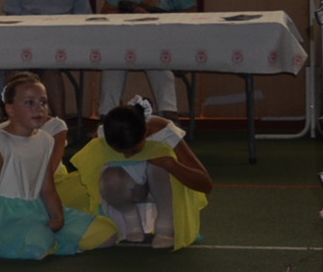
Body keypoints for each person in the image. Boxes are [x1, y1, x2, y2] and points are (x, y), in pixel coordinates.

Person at [0, 72, 115, 260]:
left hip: (36, 207)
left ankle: (46, 236)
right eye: (29, 103)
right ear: (10, 109)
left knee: (107, 233)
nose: (38, 108)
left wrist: (58, 218)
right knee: (38, 242)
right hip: (4, 216)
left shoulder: (46, 140)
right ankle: (38, 238)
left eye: (43, 102)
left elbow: (47, 188)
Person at [61, 99, 213, 250]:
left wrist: (171, 165)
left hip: (162, 194)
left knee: (158, 167)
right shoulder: (106, 134)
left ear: (145, 131)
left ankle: (165, 226)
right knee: (109, 176)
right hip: (127, 192)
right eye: (120, 152)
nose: (127, 156)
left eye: (134, 150)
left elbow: (205, 184)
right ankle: (130, 217)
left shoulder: (165, 133)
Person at [101, 0, 195, 114]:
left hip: (163, 39)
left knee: (159, 63)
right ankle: (107, 115)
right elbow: (106, 12)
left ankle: (169, 115)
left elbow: (191, 13)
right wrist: (130, 13)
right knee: (112, 64)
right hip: (125, 39)